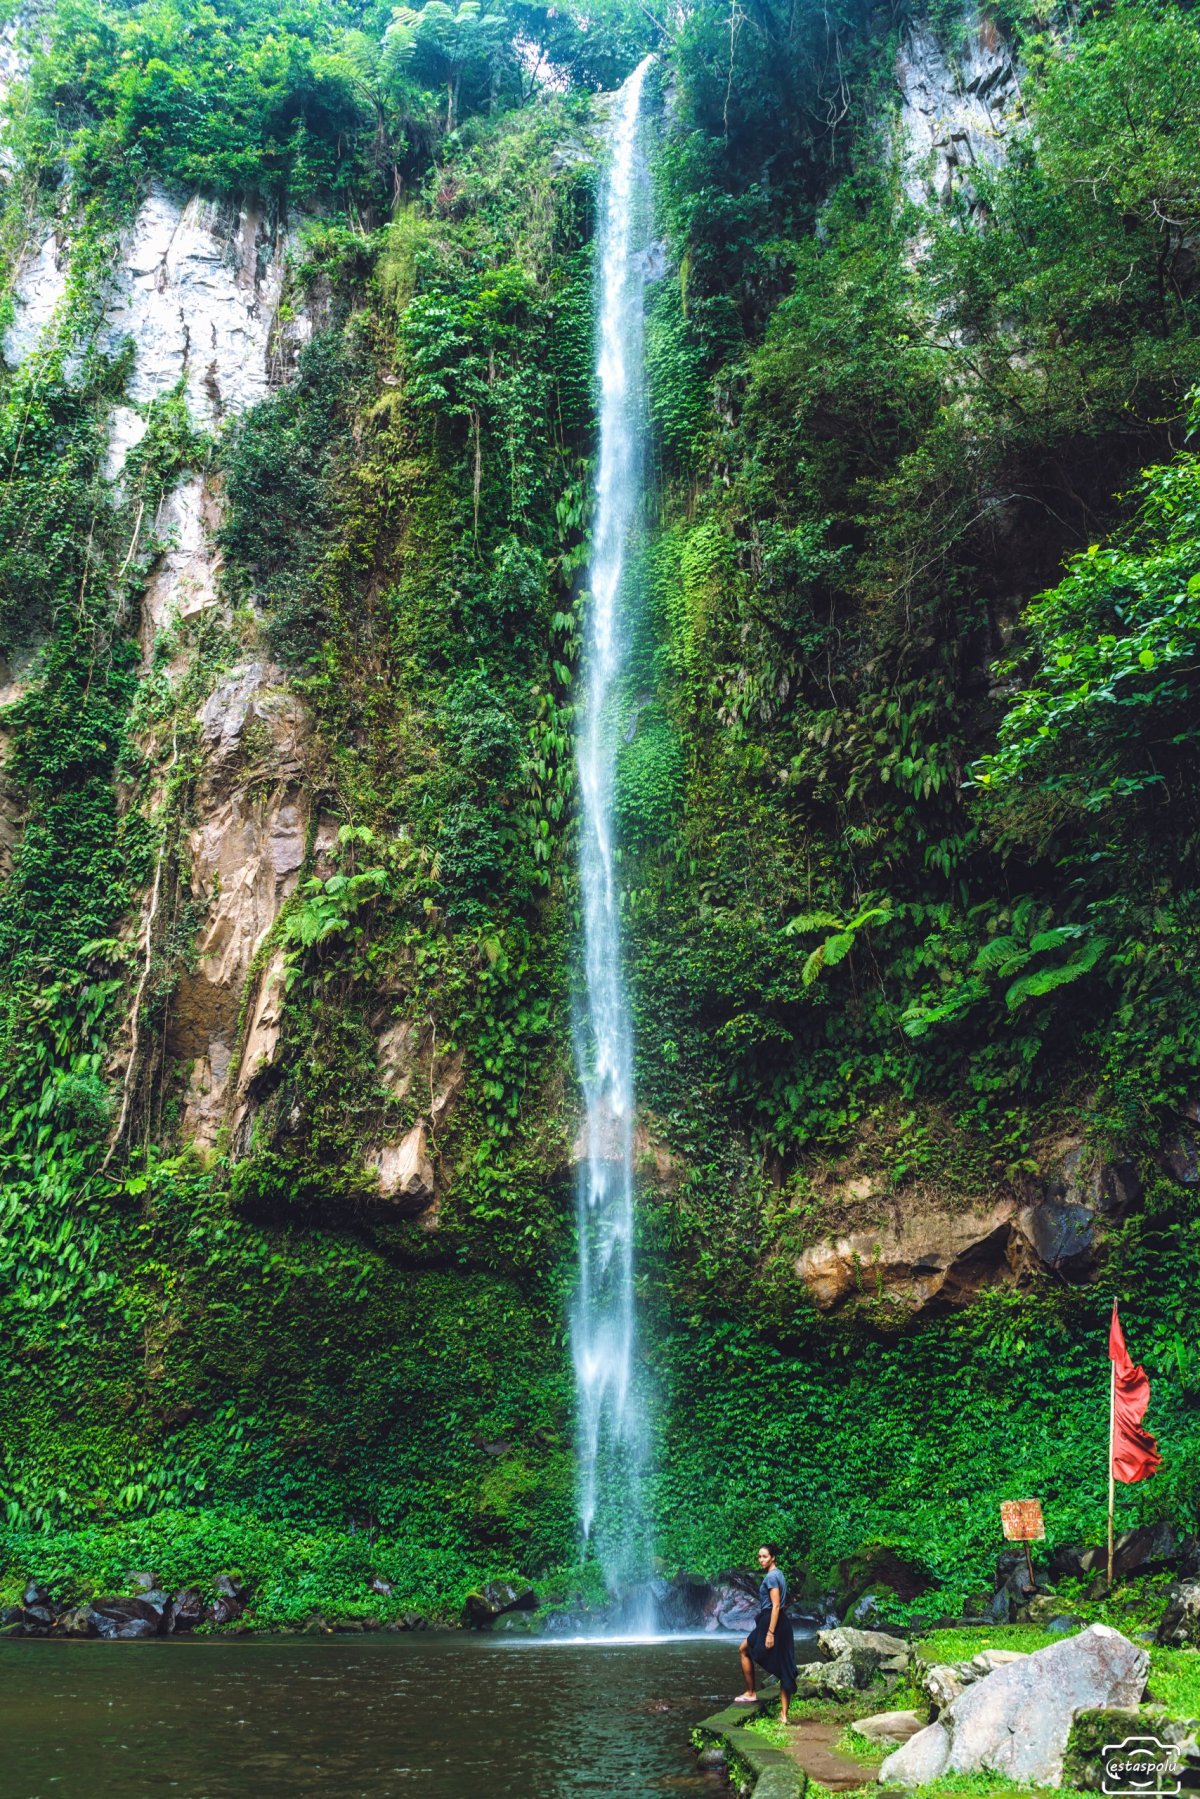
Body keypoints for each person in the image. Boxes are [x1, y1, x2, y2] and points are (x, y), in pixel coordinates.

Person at [734, 1543, 798, 1723]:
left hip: (771, 1621)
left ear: (773, 1558)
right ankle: (783, 1716)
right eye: (759, 1557)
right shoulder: (779, 1574)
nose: (761, 1560)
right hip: (780, 1622)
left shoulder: (771, 1577)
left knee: (744, 1649)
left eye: (764, 1556)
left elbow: (776, 1605)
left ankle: (750, 1692)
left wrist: (770, 1633)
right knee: (785, 1665)